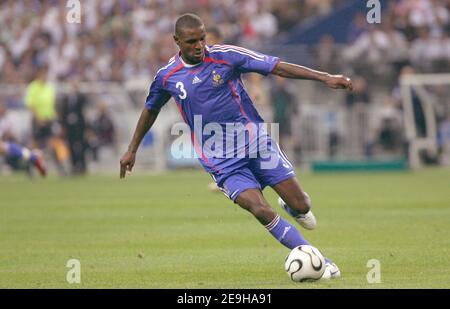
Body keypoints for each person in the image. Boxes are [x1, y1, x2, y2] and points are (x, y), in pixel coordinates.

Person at [120, 14, 353, 279]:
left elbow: (276, 66)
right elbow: (150, 109)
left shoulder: (226, 56)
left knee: (301, 205)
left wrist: (325, 77)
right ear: (177, 42)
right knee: (260, 209)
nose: (199, 46)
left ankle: (294, 207)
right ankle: (319, 260)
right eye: (191, 41)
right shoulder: (167, 77)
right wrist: (132, 149)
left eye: (202, 39)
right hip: (222, 162)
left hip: (256, 145)